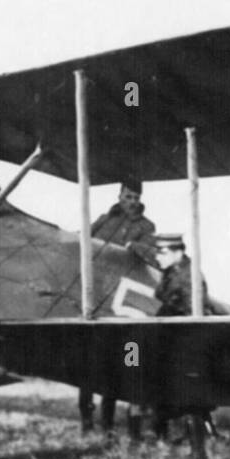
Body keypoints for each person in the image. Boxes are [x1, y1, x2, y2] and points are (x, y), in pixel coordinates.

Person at [79, 179, 156, 435]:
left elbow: (151, 254)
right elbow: (82, 239)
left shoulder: (146, 227)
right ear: (120, 195)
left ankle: (125, 429)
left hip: (122, 305)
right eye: (128, 196)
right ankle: (88, 420)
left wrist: (135, 247)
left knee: (128, 366)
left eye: (136, 198)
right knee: (91, 365)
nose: (132, 202)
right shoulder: (104, 219)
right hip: (96, 299)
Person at [151, 232, 213, 459]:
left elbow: (192, 309)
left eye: (162, 252)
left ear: (177, 252)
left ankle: (199, 455)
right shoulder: (172, 271)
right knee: (184, 398)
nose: (157, 257)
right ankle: (194, 450)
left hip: (189, 341)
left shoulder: (188, 275)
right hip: (177, 341)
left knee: (191, 399)